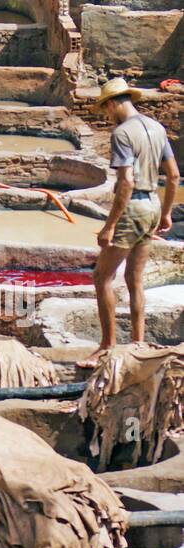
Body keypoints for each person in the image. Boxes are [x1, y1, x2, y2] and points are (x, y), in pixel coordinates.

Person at [79, 77, 179, 369]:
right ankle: (137, 343)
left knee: (102, 278)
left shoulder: (122, 134)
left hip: (133, 207)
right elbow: (173, 175)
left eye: (106, 110)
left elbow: (125, 182)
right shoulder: (157, 127)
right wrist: (167, 213)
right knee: (134, 280)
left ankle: (107, 346)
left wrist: (109, 225)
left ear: (112, 103)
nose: (107, 116)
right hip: (152, 205)